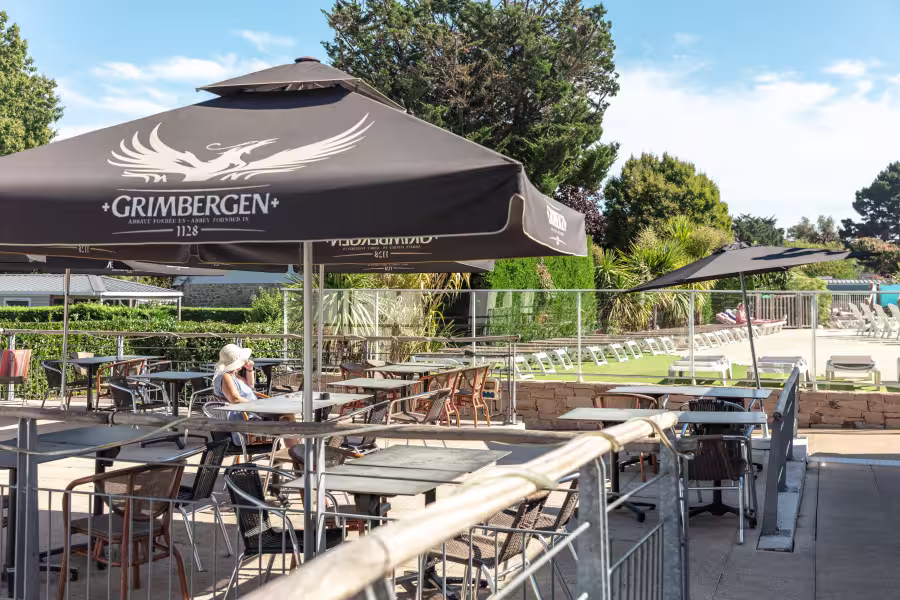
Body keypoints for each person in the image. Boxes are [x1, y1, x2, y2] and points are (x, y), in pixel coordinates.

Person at [213, 343, 297, 448]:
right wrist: (259, 405)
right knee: (288, 420)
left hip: (251, 416)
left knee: (288, 417)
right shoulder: (225, 376)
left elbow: (250, 387)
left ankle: (294, 450)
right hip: (245, 426)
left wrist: (249, 369)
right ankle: (295, 451)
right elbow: (235, 399)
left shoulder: (233, 375)